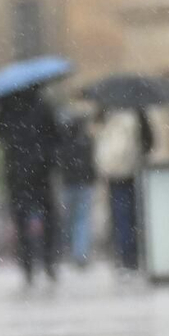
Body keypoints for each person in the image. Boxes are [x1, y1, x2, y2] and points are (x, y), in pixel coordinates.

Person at [0, 86, 62, 286]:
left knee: (21, 220)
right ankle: (48, 261)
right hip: (41, 171)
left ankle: (28, 265)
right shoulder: (43, 106)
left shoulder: (7, 109)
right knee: (48, 217)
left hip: (17, 174)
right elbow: (56, 136)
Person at [91, 107, 149, 274]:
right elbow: (149, 141)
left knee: (119, 215)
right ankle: (133, 255)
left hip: (113, 172)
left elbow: (97, 139)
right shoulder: (136, 111)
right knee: (133, 213)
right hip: (132, 170)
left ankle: (124, 256)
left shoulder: (104, 111)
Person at [56, 108, 97, 269]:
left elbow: (60, 162)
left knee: (70, 220)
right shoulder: (86, 140)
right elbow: (91, 163)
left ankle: (71, 250)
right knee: (82, 220)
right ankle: (80, 253)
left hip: (68, 185)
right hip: (84, 185)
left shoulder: (63, 142)